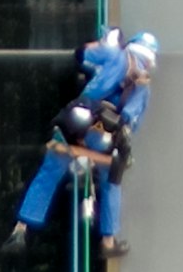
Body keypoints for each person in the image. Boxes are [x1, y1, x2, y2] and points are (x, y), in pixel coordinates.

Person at [8, 27, 156, 259]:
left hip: (78, 121)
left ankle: (20, 229)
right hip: (107, 135)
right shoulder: (142, 88)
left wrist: (100, 44)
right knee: (111, 182)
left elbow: (81, 56)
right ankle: (108, 241)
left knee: (49, 172)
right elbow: (129, 122)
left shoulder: (115, 55)